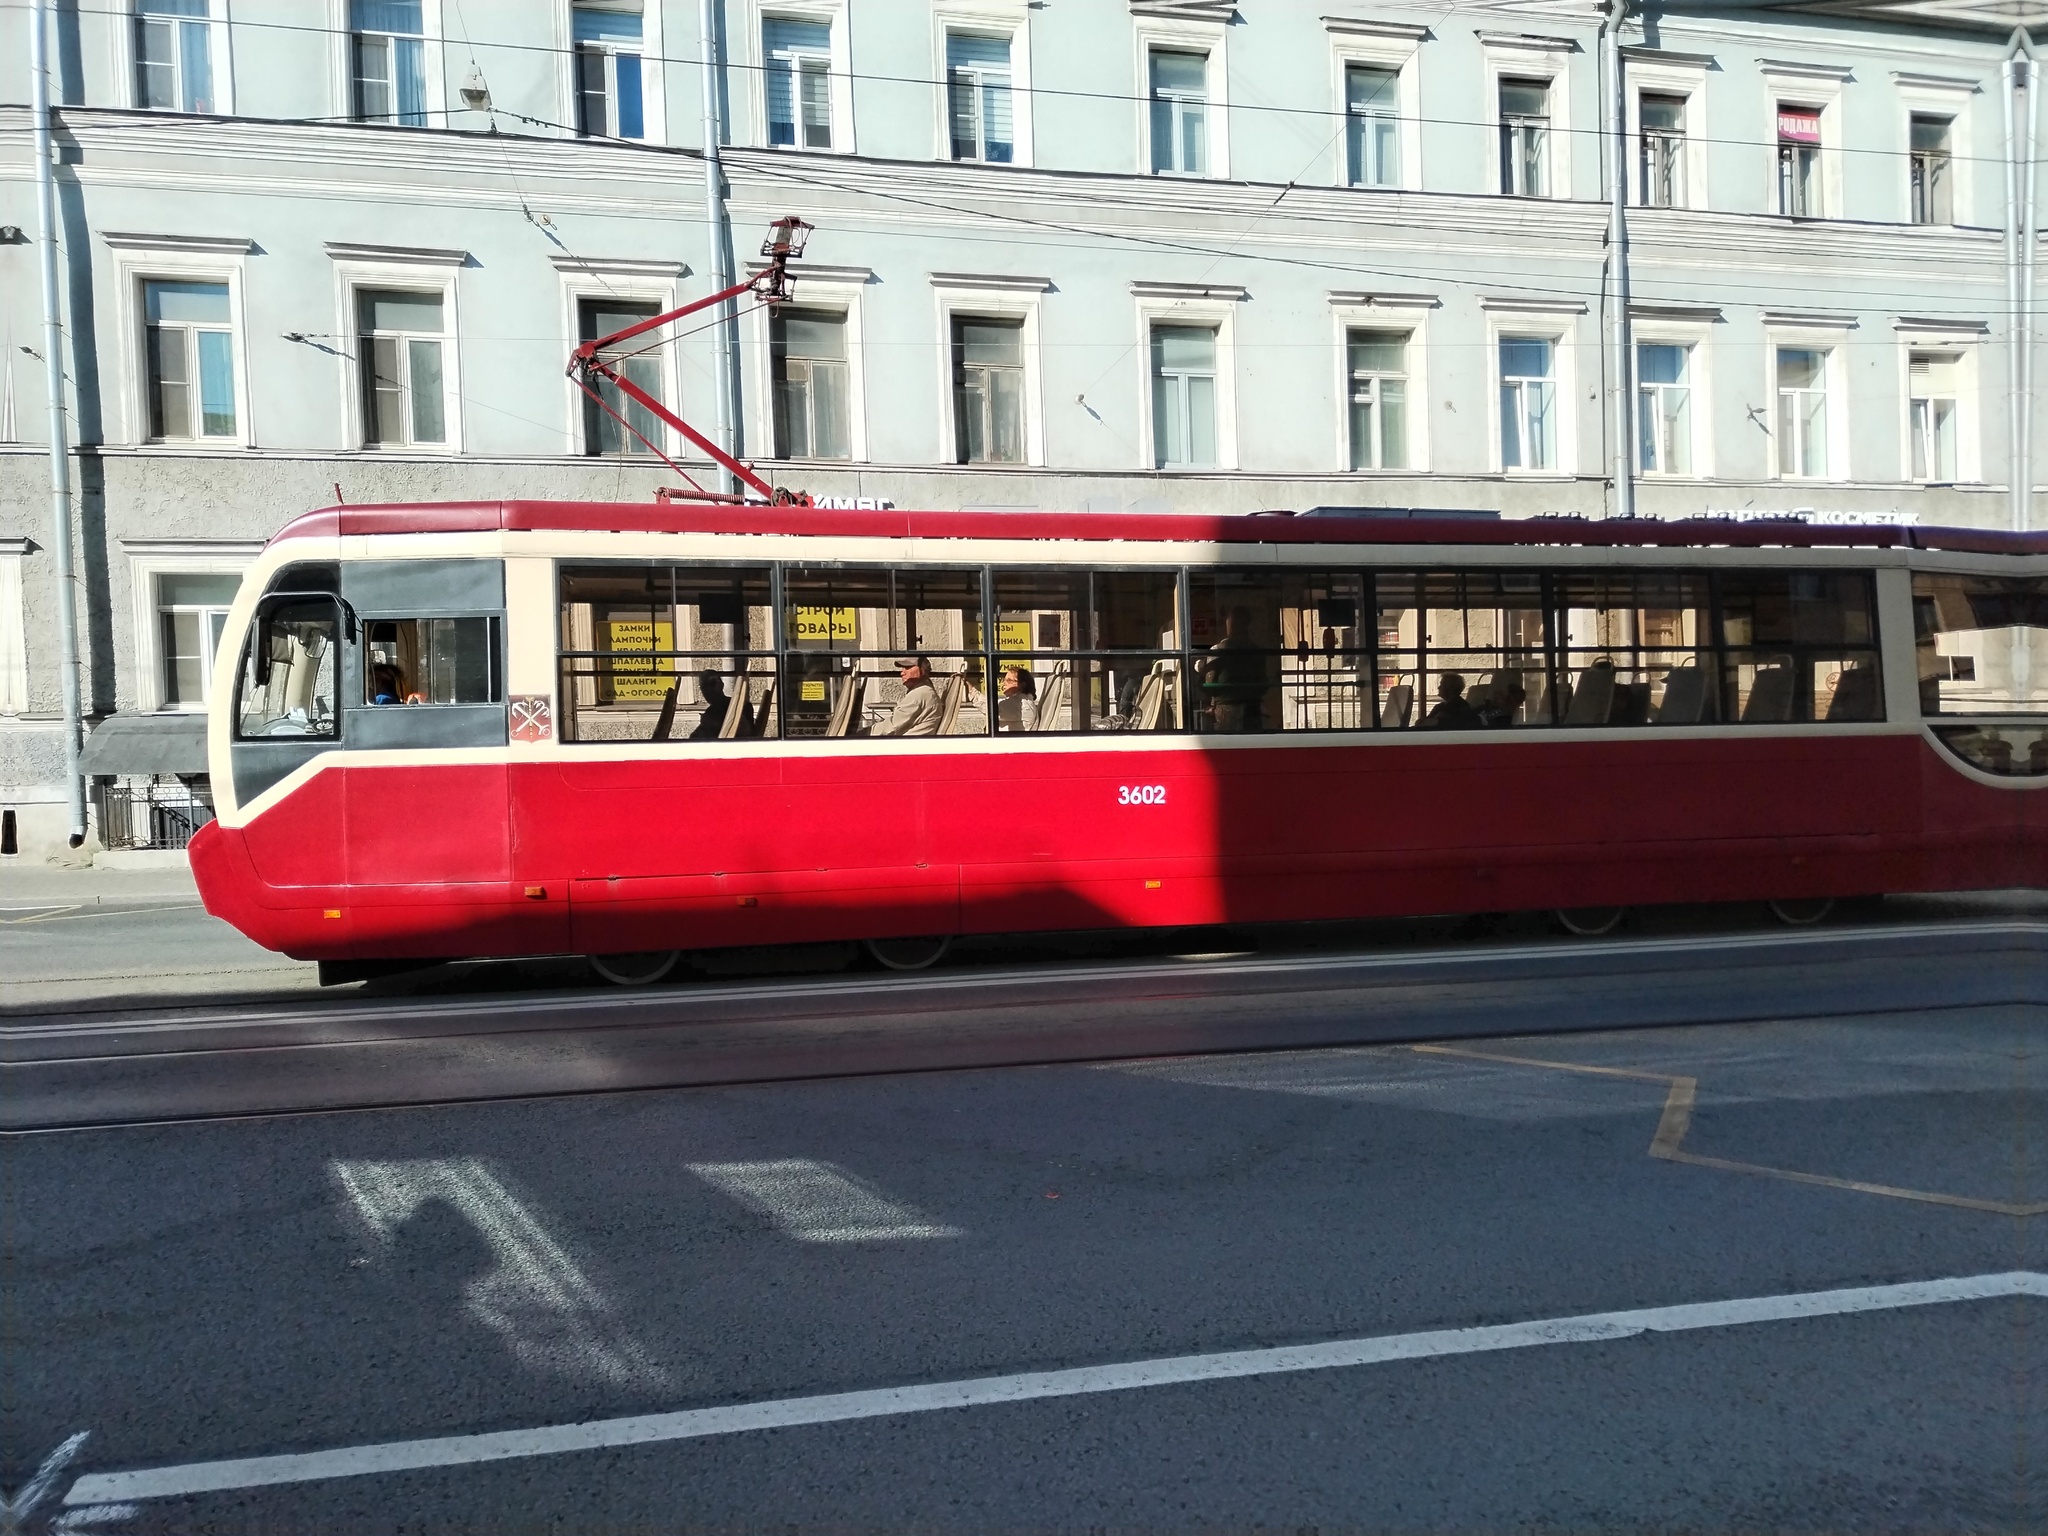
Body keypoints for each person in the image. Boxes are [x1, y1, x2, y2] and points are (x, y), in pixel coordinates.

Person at [1201, 605, 1270, 732]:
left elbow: (1210, 682)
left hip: (1225, 709)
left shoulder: (1219, 649)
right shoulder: (1257, 650)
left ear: (1230, 624)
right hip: (1252, 709)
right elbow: (1263, 683)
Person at [877, 655, 942, 736]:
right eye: (902, 668)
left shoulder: (920, 694)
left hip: (909, 746)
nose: (902, 673)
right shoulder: (923, 690)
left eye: (908, 668)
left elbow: (891, 728)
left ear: (922, 670)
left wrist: (865, 732)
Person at [687, 670, 728, 741]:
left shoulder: (736, 706)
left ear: (721, 685)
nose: (705, 693)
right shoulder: (712, 710)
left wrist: (712, 723)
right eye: (703, 688)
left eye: (710, 686)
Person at [997, 665, 1038, 731]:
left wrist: (974, 693)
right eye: (1004, 680)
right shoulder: (1018, 701)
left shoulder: (1023, 704)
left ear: (1022, 685)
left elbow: (992, 709)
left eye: (1009, 680)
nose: (1004, 683)